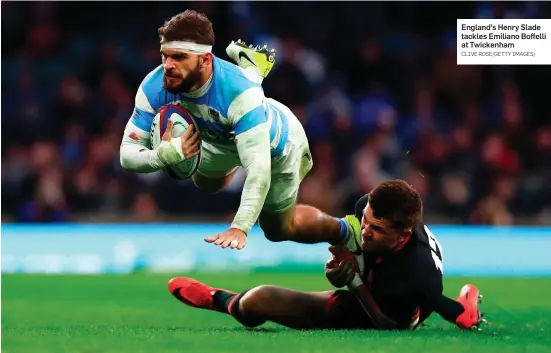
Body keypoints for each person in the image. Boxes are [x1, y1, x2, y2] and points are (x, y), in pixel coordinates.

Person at [119, 10, 356, 251]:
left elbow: (259, 169)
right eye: (165, 56)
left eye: (179, 57)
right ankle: (252, 69)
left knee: (278, 229)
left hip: (276, 145)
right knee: (205, 182)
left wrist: (240, 226)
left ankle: (345, 229)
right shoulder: (154, 85)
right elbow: (127, 154)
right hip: (221, 137)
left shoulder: (240, 94)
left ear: (205, 60)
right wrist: (159, 156)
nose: (168, 66)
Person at [167, 180, 486, 331]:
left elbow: (392, 325)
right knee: (337, 229)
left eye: (376, 228)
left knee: (255, 302)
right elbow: (361, 233)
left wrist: (354, 281)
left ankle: (218, 298)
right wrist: (345, 254)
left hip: (388, 310)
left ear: (403, 234)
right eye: (366, 220)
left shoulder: (418, 279)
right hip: (375, 272)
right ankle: (281, 221)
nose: (366, 230)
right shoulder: (368, 212)